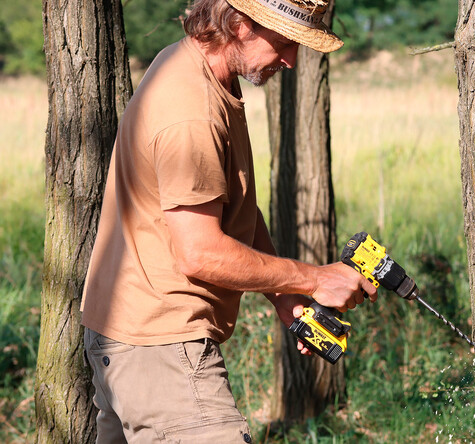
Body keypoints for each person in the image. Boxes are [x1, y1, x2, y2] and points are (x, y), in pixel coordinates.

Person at [80, 0, 378, 442]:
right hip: (160, 350)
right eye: (283, 43)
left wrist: (285, 295)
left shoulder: (194, 66)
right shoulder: (192, 111)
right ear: (239, 24)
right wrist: (314, 279)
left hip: (130, 339)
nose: (291, 60)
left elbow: (231, 207)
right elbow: (200, 253)